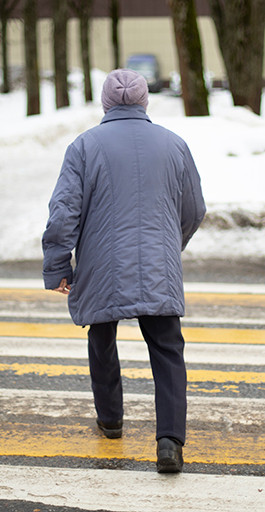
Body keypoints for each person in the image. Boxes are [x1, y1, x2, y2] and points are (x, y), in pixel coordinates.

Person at [42, 69, 205, 474]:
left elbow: (65, 212)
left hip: (101, 265)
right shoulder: (174, 144)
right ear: (145, 100)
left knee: (102, 336)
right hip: (158, 265)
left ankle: (111, 421)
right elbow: (194, 209)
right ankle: (169, 441)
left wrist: (59, 265)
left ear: (106, 103)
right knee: (167, 348)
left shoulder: (84, 146)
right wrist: (169, 245)